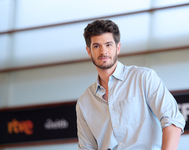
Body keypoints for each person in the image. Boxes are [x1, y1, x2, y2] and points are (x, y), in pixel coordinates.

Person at [76, 19, 185, 150]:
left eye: (108, 45)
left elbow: (172, 121)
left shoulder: (144, 78)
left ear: (118, 48)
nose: (103, 51)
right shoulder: (84, 103)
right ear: (89, 51)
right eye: (96, 46)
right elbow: (86, 147)